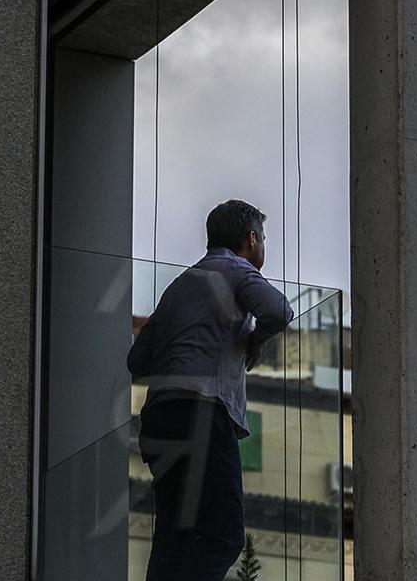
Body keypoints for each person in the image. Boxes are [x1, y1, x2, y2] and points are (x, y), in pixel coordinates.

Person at [127, 199, 293, 580]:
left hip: (159, 420)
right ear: (251, 239)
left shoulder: (181, 284)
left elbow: (137, 360)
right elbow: (280, 312)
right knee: (222, 535)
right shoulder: (236, 271)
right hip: (203, 413)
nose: (262, 245)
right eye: (263, 238)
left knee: (174, 537)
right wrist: (256, 340)